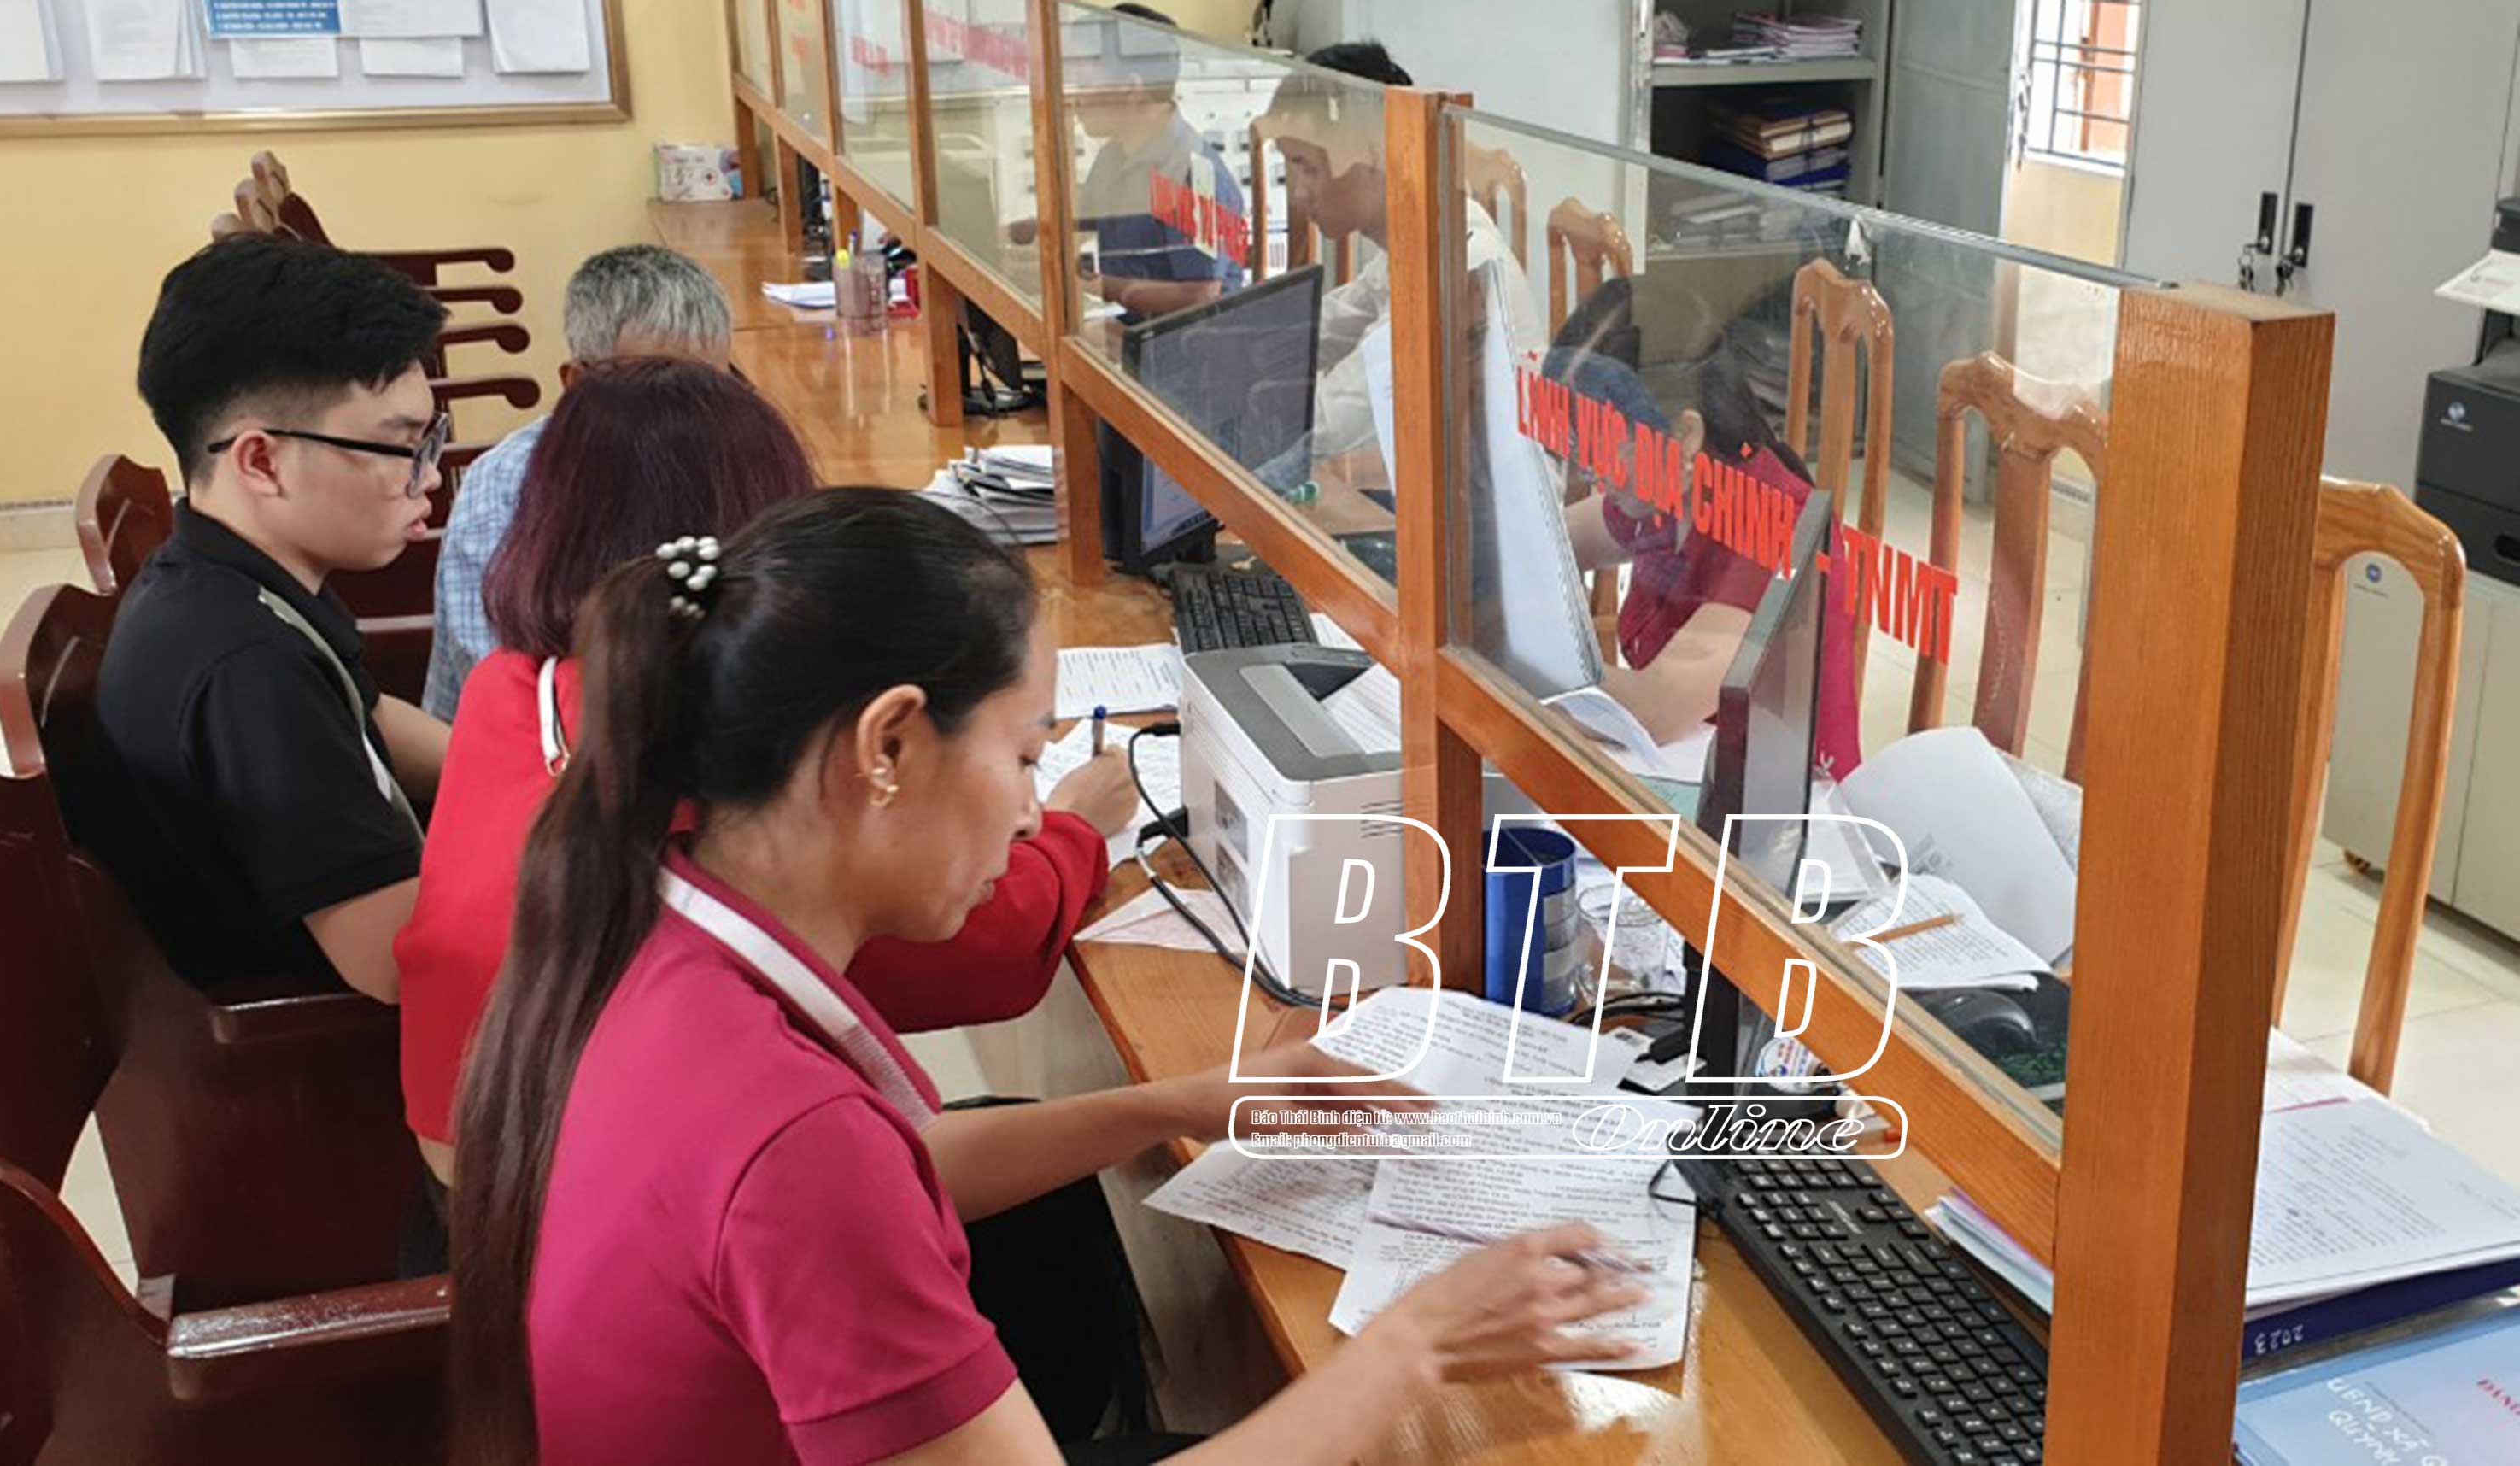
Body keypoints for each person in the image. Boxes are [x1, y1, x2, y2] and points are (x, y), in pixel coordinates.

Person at [448, 490, 1648, 1466]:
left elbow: (887, 1172)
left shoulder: (651, 925)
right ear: (887, 745)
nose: (1034, 815)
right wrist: (1417, 1345)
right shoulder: (788, 1139)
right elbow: (823, 1186)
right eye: (1025, 757)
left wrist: (1185, 1103)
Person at [396, 359, 1138, 1199]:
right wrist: (1076, 823)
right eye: (1023, 760)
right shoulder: (729, 820)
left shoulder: (508, 689)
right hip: (570, 1211)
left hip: (478, 1194)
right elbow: (991, 950)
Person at [93, 235, 452, 1001]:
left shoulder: (232, 568)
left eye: (429, 440)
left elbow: (364, 712)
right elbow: (397, 963)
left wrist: (528, 779)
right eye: (399, 448)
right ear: (260, 461)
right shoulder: (249, 669)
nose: (429, 479)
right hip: (318, 1030)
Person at [423, 243, 735, 719]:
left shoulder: (735, 451)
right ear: (577, 385)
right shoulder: (508, 489)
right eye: (656, 393)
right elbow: (513, 708)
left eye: (712, 388)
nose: (690, 417)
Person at [1553, 343, 1862, 778]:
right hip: (1690, 766)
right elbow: (1552, 542)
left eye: (1605, 448)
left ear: (1685, 435)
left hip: (1772, 799)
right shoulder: (1669, 495)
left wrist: (1514, 655)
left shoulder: (1774, 524)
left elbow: (1653, 708)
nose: (1595, 474)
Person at [1260, 41, 1547, 464]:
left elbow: (1327, 424)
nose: (1299, 194)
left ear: (1373, 153)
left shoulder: (1452, 260)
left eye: (1308, 167)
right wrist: (1240, 346)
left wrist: (1238, 393)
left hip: (1478, 502)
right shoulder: (1420, 233)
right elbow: (1330, 324)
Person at [1074, 3, 1247, 322]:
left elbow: (1200, 296)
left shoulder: (1190, 173)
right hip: (1134, 333)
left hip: (1190, 345)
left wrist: (1096, 286)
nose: (1074, 99)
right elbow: (1082, 222)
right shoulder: (1114, 155)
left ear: (1133, 88)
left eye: (1083, 84)